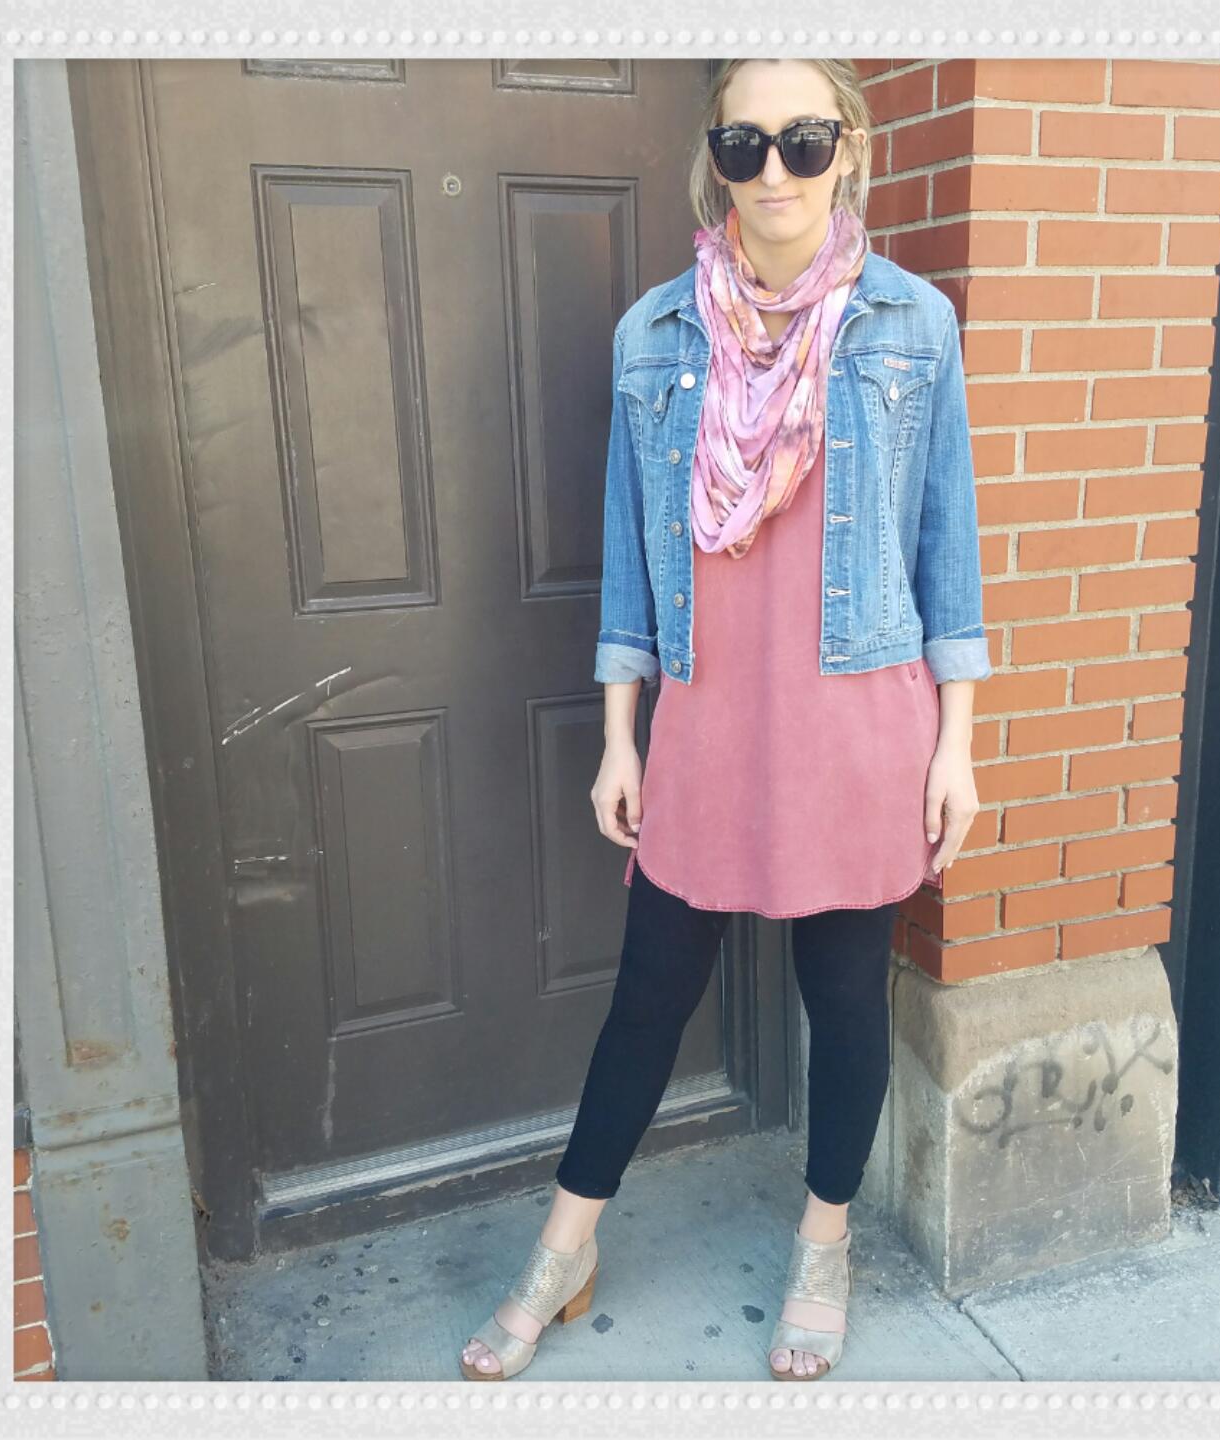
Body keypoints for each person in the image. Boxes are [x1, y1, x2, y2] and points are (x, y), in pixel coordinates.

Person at [460, 56, 990, 1385]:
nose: (773, 171)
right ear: (715, 159)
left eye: (802, 139)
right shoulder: (656, 334)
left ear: (848, 147)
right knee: (650, 991)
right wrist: (619, 736)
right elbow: (630, 562)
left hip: (860, 717)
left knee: (844, 996)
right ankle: (565, 1247)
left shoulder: (913, 324)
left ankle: (824, 1245)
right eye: (744, 143)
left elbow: (949, 549)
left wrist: (958, 744)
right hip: (704, 718)